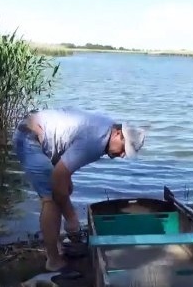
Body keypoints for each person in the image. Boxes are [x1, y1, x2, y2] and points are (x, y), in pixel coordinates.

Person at [12, 107, 146, 272]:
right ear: (118, 133)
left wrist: (66, 191)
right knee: (51, 200)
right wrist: (72, 217)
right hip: (30, 137)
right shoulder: (97, 140)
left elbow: (64, 169)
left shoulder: (105, 129)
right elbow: (59, 175)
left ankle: (57, 245)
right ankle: (53, 261)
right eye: (124, 148)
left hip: (36, 132)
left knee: (64, 188)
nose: (123, 155)